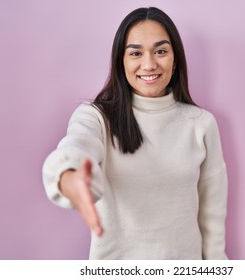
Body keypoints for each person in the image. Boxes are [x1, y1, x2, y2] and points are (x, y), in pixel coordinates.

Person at [42, 6, 228, 260]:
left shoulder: (201, 124)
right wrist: (69, 175)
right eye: (136, 53)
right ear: (122, 61)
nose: (149, 64)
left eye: (161, 51)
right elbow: (76, 145)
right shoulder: (97, 117)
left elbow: (212, 219)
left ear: (175, 61)